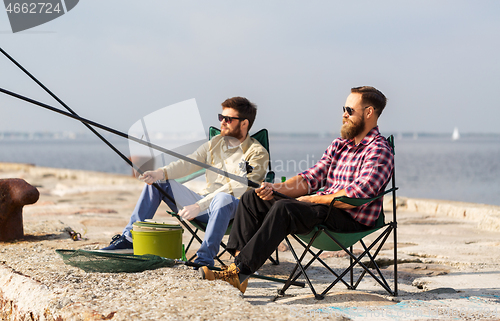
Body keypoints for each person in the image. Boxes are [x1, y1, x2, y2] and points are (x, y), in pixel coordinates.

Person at [200, 86, 394, 293]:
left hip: (350, 219)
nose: (343, 114)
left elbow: (357, 195)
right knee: (252, 198)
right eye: (343, 109)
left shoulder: (379, 150)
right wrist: (274, 188)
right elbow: (310, 179)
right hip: (324, 209)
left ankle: (239, 272)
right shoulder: (340, 145)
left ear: (369, 112)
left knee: (285, 209)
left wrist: (312, 200)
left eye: (349, 110)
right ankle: (238, 269)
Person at [100, 97, 269, 268]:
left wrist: (199, 205)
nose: (222, 123)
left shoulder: (258, 153)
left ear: (244, 124)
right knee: (160, 183)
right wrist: (159, 173)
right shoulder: (214, 143)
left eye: (228, 119)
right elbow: (189, 163)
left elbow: (239, 187)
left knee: (223, 198)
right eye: (221, 117)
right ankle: (129, 239)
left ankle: (204, 260)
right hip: (204, 204)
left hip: (235, 210)